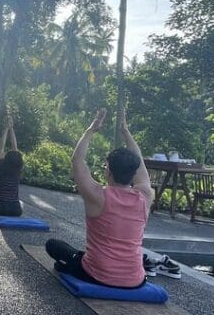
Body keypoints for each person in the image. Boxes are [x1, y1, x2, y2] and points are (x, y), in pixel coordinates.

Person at [44, 109, 155, 289]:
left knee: (53, 245)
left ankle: (72, 266)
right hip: (135, 280)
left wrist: (91, 129)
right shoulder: (145, 196)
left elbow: (77, 161)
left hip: (98, 275)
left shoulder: (98, 195)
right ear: (133, 173)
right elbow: (139, 162)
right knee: (79, 255)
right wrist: (126, 132)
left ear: (108, 171)